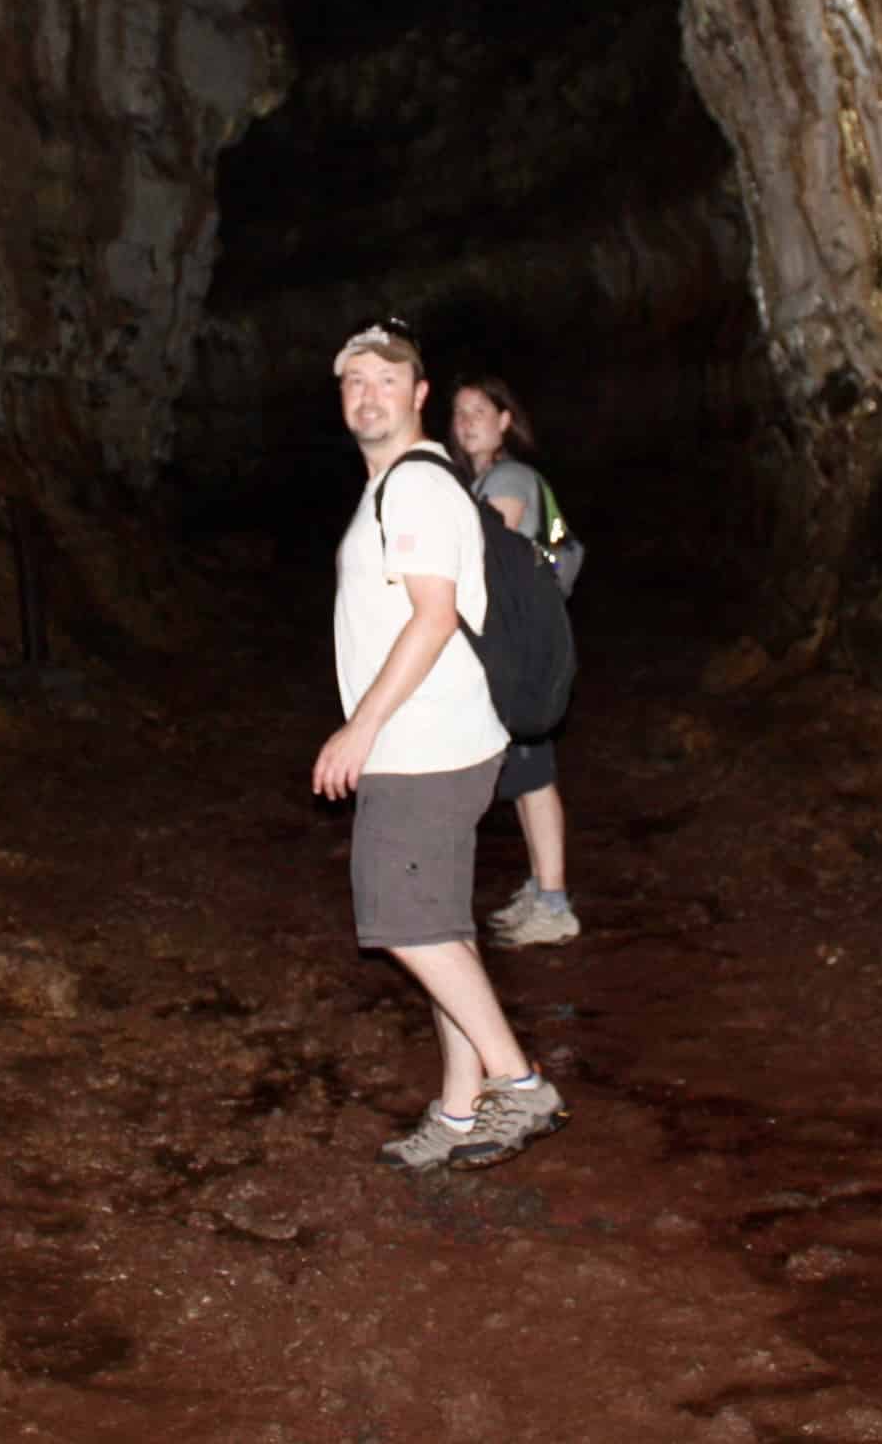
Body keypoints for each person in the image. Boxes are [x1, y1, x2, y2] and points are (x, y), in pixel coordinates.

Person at [318, 318, 567, 1171]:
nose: (369, 394)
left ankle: (517, 1081)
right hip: (447, 738)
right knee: (441, 932)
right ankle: (460, 1112)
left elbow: (431, 617)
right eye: (355, 381)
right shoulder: (402, 481)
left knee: (400, 922)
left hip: (421, 744)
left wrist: (362, 726)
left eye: (388, 379)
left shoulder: (417, 488)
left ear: (417, 394)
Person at [450, 378, 580, 950]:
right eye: (459, 413)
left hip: (520, 648)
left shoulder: (506, 480)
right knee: (527, 775)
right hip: (525, 641)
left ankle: (554, 903)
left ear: (506, 421)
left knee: (535, 774)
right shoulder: (485, 480)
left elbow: (486, 561)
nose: (467, 421)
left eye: (480, 411)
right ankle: (541, 888)